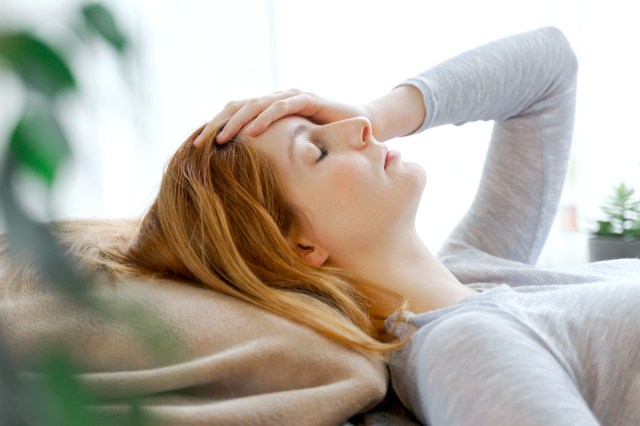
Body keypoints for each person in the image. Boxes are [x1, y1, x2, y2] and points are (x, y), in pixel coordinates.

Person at [124, 27, 639, 425]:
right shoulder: (464, 345)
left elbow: (549, 66)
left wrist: (379, 110)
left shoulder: (474, 270)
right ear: (300, 245)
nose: (358, 129)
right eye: (318, 150)